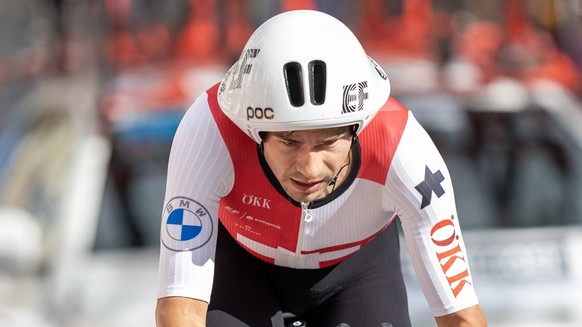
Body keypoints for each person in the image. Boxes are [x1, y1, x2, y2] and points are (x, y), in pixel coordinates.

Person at [156, 9, 487, 327]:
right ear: (252, 130)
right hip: (243, 265)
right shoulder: (210, 128)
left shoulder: (401, 145)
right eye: (289, 141)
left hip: (357, 273)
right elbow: (179, 307)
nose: (309, 167)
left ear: (358, 127)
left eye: (328, 142)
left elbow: (461, 316)